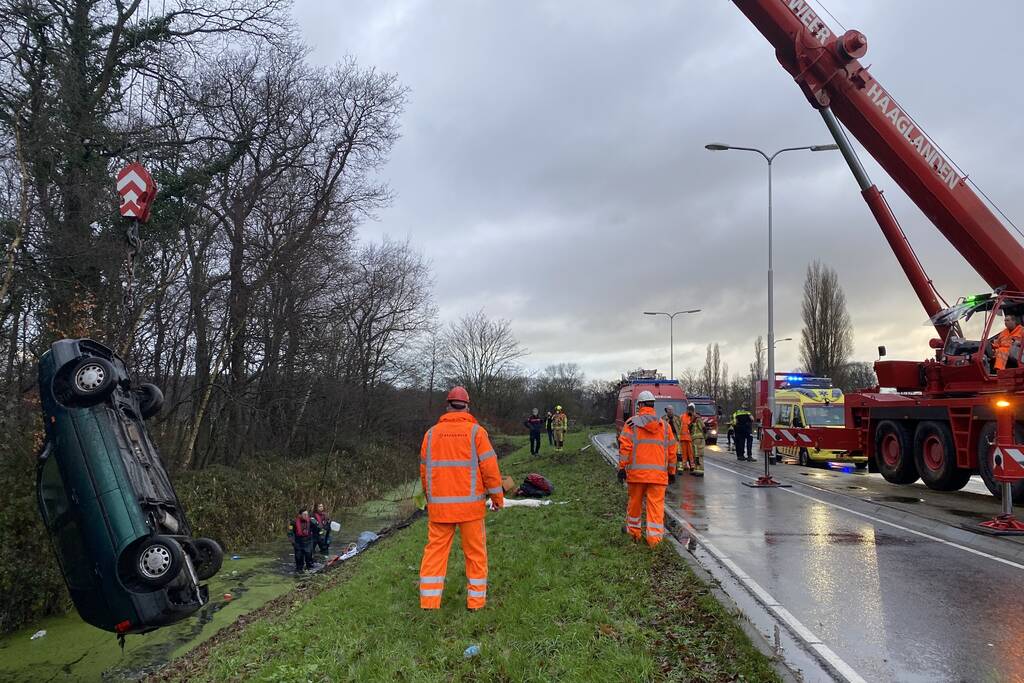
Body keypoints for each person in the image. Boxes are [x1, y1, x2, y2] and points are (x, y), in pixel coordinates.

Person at [419, 386, 504, 611]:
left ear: (447, 406)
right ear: (467, 406)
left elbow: (424, 472)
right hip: (470, 510)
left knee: (435, 554)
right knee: (475, 555)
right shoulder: (477, 433)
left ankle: (429, 602)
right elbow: (490, 469)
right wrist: (497, 497)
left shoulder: (430, 434)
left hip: (440, 510)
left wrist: (430, 498)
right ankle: (475, 603)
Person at [617, 391, 675, 546]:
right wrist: (672, 471)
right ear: (653, 405)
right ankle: (654, 541)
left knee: (634, 504)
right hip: (658, 476)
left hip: (637, 475)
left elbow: (625, 448)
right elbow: (672, 451)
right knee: (656, 508)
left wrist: (621, 468)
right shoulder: (665, 426)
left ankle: (633, 533)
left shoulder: (631, 424)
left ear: (640, 405)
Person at [288, 507, 315, 573]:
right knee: (299, 559)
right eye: (304, 514)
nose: (306, 516)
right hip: (298, 542)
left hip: (308, 542)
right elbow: (290, 533)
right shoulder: (293, 522)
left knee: (309, 558)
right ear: (299, 515)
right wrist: (293, 542)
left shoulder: (311, 521)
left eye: (307, 514)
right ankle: (299, 572)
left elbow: (318, 529)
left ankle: (310, 571)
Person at [687, 403, 705, 476]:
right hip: (694, 440)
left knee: (699, 455)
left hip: (699, 439)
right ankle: (696, 469)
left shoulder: (697, 418)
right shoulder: (692, 419)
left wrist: (703, 437)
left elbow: (703, 428)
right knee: (695, 455)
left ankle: (700, 471)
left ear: (690, 410)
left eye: (688, 411)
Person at [677, 405, 696, 472]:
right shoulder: (682, 416)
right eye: (688, 410)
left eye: (690, 410)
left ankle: (692, 466)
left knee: (691, 453)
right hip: (683, 438)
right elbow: (678, 426)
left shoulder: (693, 417)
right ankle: (684, 465)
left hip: (690, 438)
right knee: (684, 454)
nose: (689, 411)